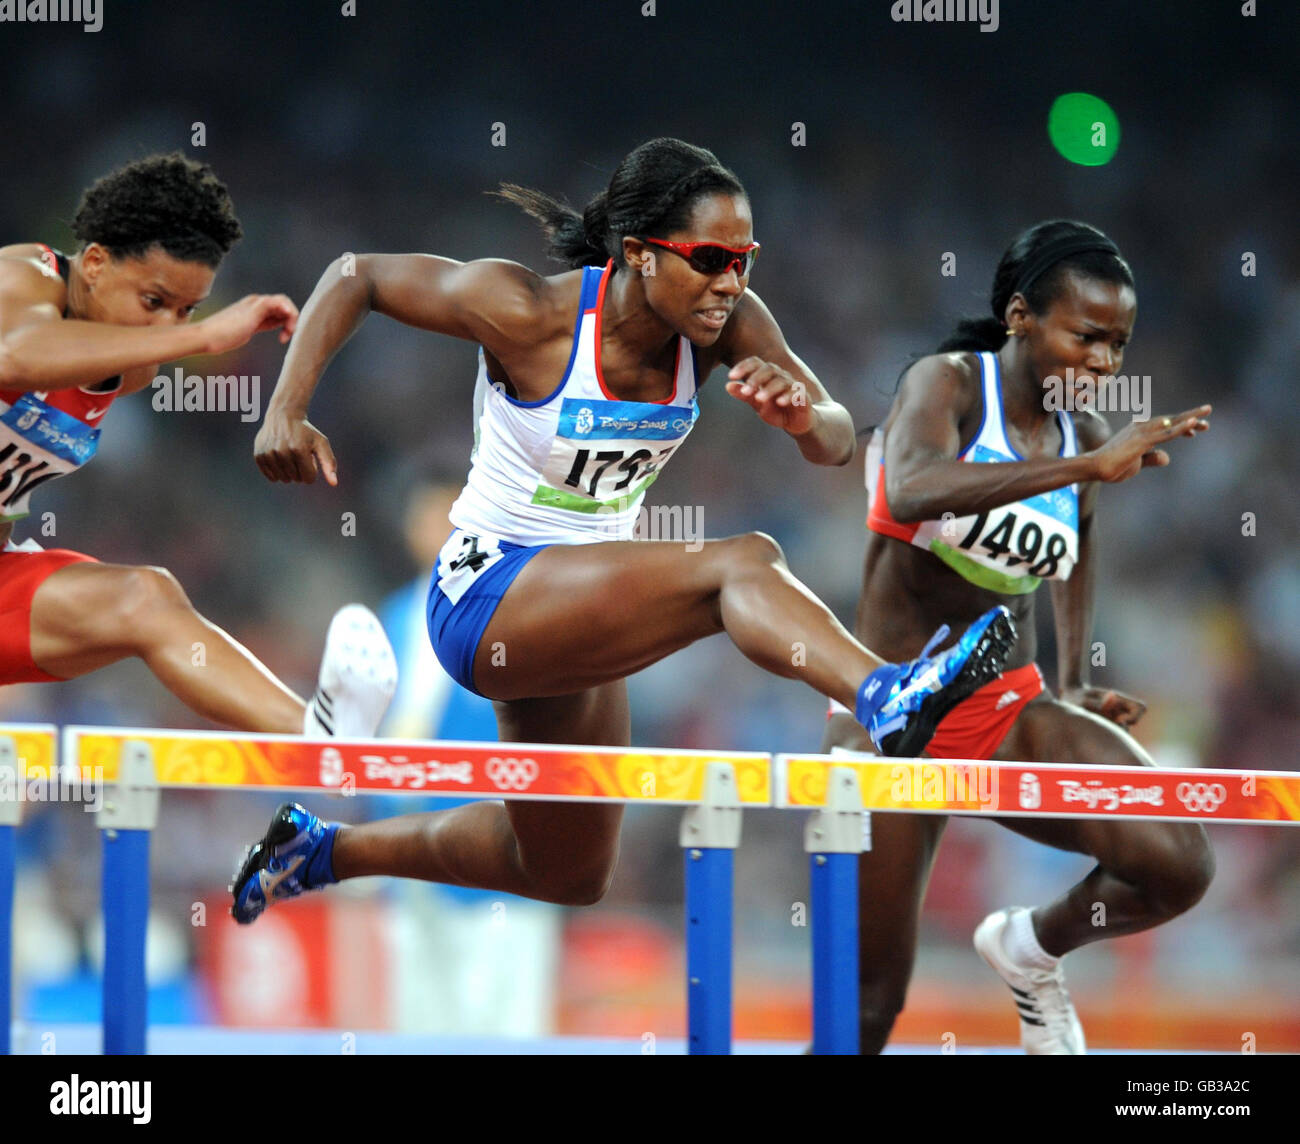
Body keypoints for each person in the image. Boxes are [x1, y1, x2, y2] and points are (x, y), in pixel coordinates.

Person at [231, 137, 1014, 924]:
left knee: (565, 869)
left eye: (746, 259)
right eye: (710, 258)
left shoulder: (730, 321)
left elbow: (840, 440)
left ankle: (321, 852)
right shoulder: (529, 311)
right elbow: (354, 275)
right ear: (640, 254)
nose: (729, 282)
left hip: (580, 603)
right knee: (743, 562)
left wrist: (803, 415)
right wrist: (285, 410)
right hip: (485, 596)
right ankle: (885, 694)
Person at [822, 219, 1216, 1054]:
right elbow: (919, 483)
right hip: (894, 720)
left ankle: (1029, 950)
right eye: (1088, 337)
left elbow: (1077, 549)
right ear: (1020, 317)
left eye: (1119, 345)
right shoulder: (949, 385)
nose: (1105, 365)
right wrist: (1084, 468)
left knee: (1180, 862)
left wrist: (1072, 677)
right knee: (867, 1007)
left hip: (1008, 709)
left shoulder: (1086, 436)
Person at [0, 153, 396, 737]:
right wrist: (204, 334)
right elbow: (13, 355)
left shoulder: (128, 370)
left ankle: (320, 740)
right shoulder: (24, 275)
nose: (168, 330)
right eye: (154, 302)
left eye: (187, 308)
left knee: (147, 597)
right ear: (93, 263)